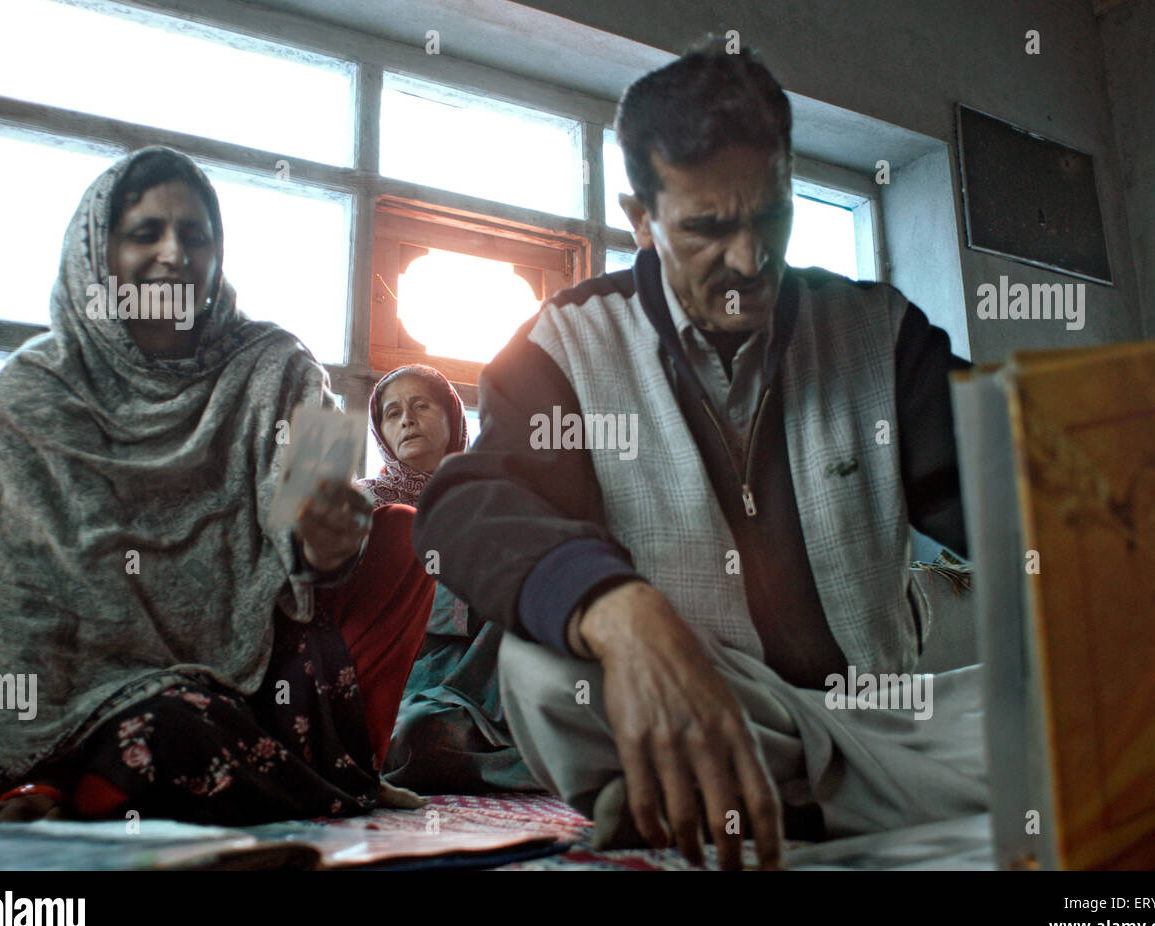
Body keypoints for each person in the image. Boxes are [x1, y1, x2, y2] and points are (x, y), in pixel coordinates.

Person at [414, 44, 988, 870]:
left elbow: (1016, 491)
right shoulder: (567, 344)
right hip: (696, 708)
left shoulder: (882, 334)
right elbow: (465, 506)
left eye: (770, 218)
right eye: (709, 228)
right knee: (540, 673)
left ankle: (743, 805)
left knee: (1075, 708)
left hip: (885, 723)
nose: (751, 261)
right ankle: (827, 805)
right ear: (639, 218)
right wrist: (621, 610)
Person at [0, 146, 434, 830]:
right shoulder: (21, 403)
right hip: (106, 687)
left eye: (194, 235)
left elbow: (317, 506)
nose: (173, 253)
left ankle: (348, 768)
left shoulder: (281, 361)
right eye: (145, 233)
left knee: (406, 532)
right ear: (97, 252)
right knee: (159, 729)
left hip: (264, 668)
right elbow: (24, 605)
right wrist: (34, 772)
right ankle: (89, 777)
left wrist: (324, 532)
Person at [360, 365, 537, 793]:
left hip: (495, 675)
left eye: (421, 405)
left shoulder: (496, 499)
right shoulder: (361, 504)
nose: (407, 419)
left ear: (454, 419)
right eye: (392, 412)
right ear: (381, 430)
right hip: (405, 677)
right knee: (418, 734)